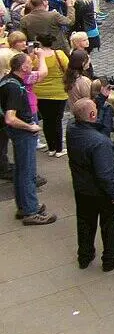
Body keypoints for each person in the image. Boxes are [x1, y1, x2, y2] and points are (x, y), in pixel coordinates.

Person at [66, 98, 114, 271]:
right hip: (101, 193)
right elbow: (105, 175)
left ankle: (84, 256)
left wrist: (99, 99)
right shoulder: (101, 143)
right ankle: (110, 259)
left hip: (82, 189)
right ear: (93, 115)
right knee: (109, 226)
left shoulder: (72, 128)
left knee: (85, 223)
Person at [2, 53, 54, 224]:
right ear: (23, 67)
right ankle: (30, 211)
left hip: (17, 132)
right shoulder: (15, 88)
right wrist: (30, 126)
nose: (32, 64)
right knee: (27, 171)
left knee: (21, 170)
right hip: (22, 133)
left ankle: (25, 206)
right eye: (29, 62)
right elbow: (10, 117)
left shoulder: (10, 80)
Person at [32, 36, 69, 158]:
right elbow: (67, 68)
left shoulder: (34, 57)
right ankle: (59, 149)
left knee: (47, 121)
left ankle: (51, 148)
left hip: (40, 92)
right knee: (56, 120)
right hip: (58, 92)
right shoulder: (59, 54)